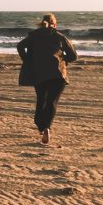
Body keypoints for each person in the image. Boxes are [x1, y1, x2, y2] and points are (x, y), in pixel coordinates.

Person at [17, 13, 78, 145]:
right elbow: (73, 56)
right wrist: (62, 59)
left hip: (39, 73)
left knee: (41, 100)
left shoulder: (34, 36)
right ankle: (47, 128)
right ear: (54, 24)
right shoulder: (60, 36)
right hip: (58, 74)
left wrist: (28, 59)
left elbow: (20, 46)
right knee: (52, 102)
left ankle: (41, 127)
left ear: (41, 23)